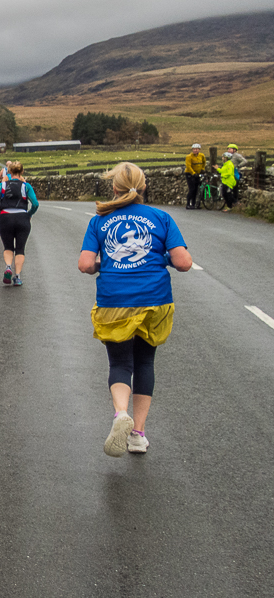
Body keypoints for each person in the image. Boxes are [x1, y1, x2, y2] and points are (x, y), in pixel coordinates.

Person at [78, 163, 192, 456]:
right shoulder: (162, 218)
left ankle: (120, 414)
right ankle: (138, 435)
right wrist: (161, 257)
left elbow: (85, 265)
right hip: (155, 300)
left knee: (119, 364)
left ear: (113, 188)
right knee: (144, 363)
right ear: (144, 188)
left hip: (114, 301)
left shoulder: (99, 221)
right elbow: (183, 263)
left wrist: (109, 264)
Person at [0, 160, 38, 286]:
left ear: (9, 171)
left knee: (8, 247)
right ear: (22, 172)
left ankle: (8, 267)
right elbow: (35, 204)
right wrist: (29, 214)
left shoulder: (2, 186)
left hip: (6, 217)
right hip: (22, 217)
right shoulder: (26, 186)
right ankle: (17, 277)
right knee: (20, 249)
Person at [183, 143, 205, 209]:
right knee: (191, 189)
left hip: (197, 174)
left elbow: (204, 162)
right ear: (192, 149)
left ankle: (194, 204)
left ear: (199, 150)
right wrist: (193, 173)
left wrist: (202, 169)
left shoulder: (202, 156)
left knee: (196, 189)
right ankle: (188, 204)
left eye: (197, 149)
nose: (195, 150)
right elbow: (188, 166)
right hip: (190, 174)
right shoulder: (189, 156)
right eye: (194, 149)